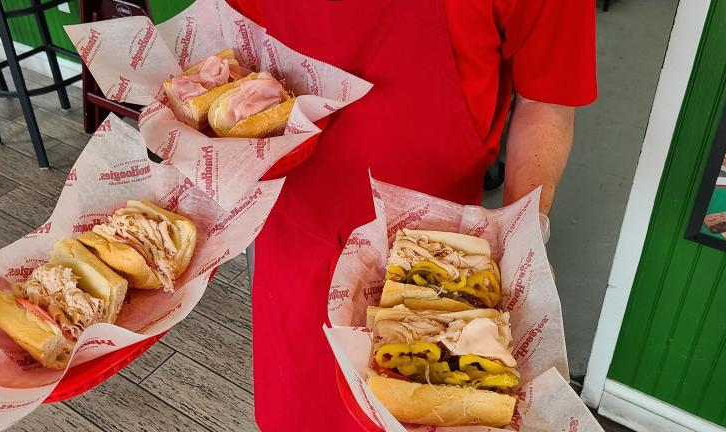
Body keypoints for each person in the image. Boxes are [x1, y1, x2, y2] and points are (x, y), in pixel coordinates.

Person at [230, 0, 597, 429]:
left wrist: (525, 237)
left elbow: (546, 100)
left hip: (437, 257)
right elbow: (242, 41)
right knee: (296, 409)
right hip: (292, 229)